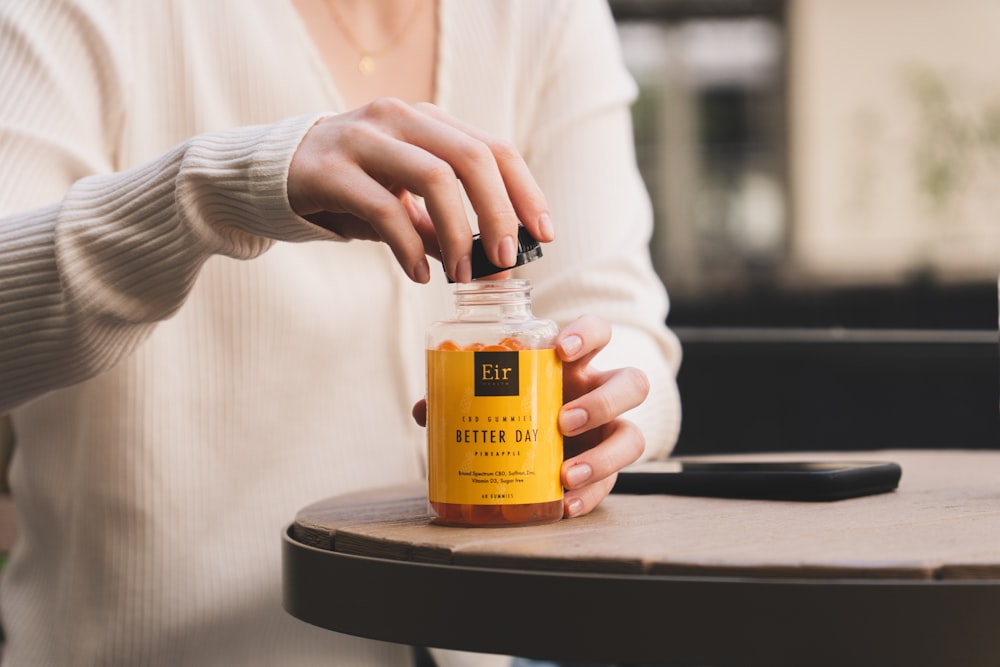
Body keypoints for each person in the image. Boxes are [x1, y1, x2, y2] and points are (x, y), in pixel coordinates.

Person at [0, 0, 682, 665]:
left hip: (485, 639)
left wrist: (596, 401)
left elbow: (621, 320)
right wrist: (217, 188)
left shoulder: (546, 15)